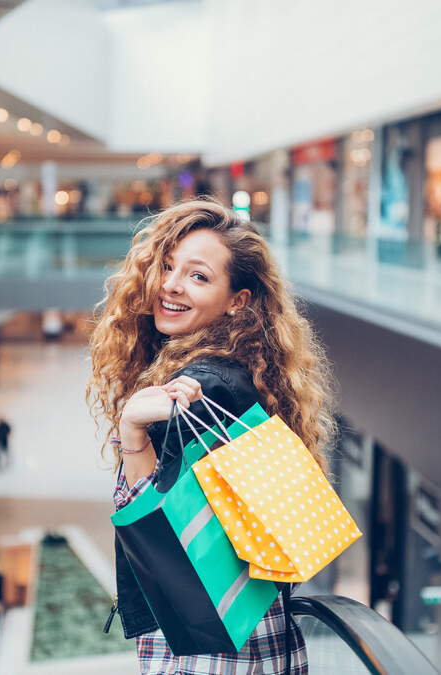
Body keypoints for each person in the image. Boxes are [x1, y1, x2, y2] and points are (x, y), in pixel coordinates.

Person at [87, 199, 335, 673]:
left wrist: (132, 431)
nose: (171, 285)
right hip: (256, 629)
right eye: (166, 266)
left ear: (237, 299)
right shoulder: (246, 373)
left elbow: (151, 522)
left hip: (208, 648)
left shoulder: (203, 386)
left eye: (198, 276)